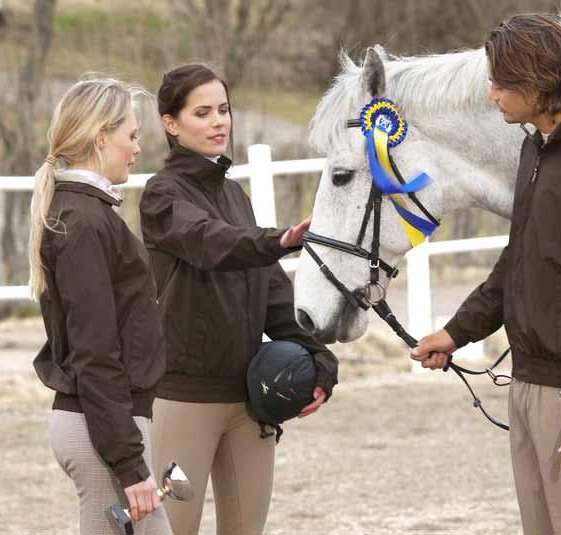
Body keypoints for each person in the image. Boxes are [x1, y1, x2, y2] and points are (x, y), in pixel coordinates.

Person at [411, 14, 561, 535]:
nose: (492, 93)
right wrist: (457, 332)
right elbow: (516, 261)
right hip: (526, 382)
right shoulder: (534, 149)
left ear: (536, 81)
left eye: (500, 81)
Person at [139, 63, 339, 535]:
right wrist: (277, 240)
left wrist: (320, 360)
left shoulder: (235, 195)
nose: (218, 122)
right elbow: (210, 242)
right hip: (183, 402)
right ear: (170, 123)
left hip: (252, 403)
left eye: (223, 110)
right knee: (173, 530)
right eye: (202, 112)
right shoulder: (160, 197)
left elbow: (271, 291)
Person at [29, 78, 172, 534]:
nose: (137, 147)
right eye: (131, 135)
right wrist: (130, 463)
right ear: (100, 137)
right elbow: (95, 351)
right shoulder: (84, 222)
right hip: (102, 430)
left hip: (107, 424)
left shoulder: (89, 214)